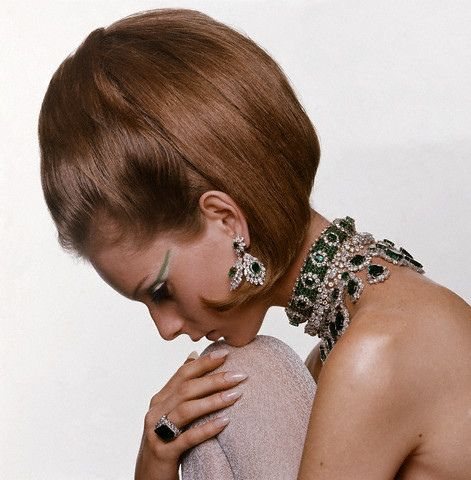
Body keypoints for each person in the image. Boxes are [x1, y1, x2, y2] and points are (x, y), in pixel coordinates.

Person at [37, 7, 471, 480]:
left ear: (226, 221)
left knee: (246, 383)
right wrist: (156, 455)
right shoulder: (345, 347)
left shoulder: (376, 355)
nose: (165, 328)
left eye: (160, 290)